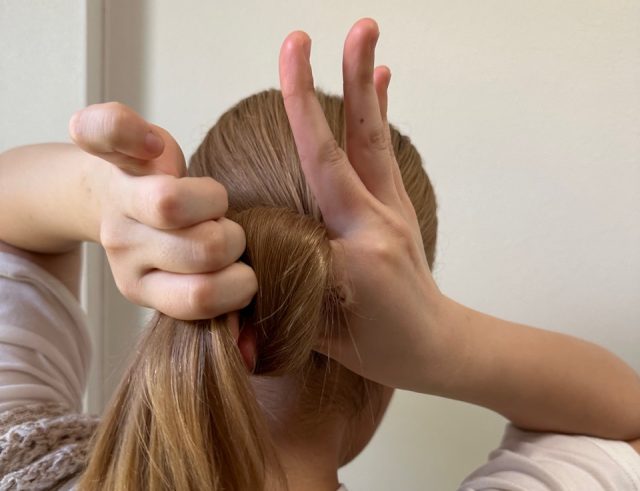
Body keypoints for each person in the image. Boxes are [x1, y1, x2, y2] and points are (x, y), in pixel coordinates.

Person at [0, 17, 638, 491]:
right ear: (392, 367)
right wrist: (447, 344)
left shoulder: (26, 464)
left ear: (175, 266)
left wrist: (102, 196)